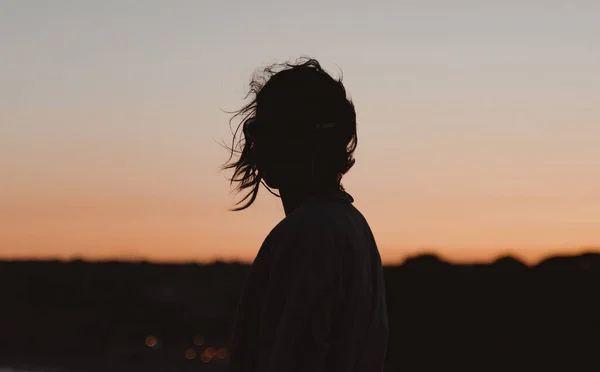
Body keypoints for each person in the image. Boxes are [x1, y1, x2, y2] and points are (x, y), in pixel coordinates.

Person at [222, 57, 388, 372]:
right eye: (258, 128)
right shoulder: (350, 225)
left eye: (277, 128)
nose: (258, 142)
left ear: (313, 139)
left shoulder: (310, 233)